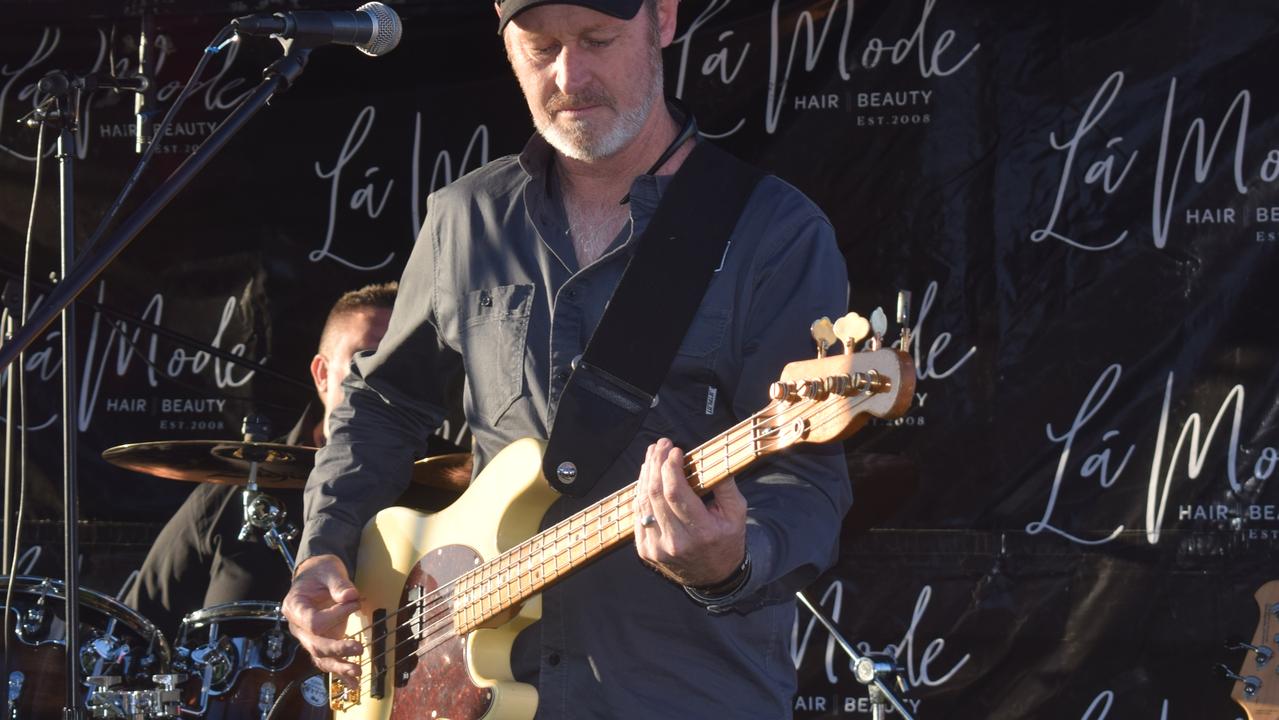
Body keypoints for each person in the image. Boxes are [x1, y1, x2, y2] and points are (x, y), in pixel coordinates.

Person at [284, 1, 851, 718]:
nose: (569, 74)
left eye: (596, 39)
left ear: (664, 20)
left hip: (679, 691)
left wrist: (731, 560)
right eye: (540, 46)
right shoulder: (466, 217)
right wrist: (324, 549)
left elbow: (807, 479)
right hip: (471, 691)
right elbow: (382, 403)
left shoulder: (773, 231)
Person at [126, 282, 405, 636]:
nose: (380, 379)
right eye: (363, 360)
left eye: (399, 364)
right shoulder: (237, 485)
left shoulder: (451, 485)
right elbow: (138, 628)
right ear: (322, 374)